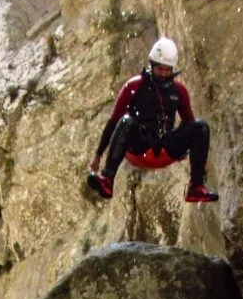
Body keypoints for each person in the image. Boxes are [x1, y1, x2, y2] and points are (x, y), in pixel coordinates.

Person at [87, 37, 219, 203]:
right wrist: (98, 154)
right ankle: (107, 179)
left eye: (167, 70)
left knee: (200, 126)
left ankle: (195, 187)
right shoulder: (134, 86)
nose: (163, 74)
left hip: (164, 147)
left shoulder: (178, 91)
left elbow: (189, 123)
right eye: (159, 69)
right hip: (140, 147)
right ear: (151, 64)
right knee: (126, 120)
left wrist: (199, 159)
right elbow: (114, 122)